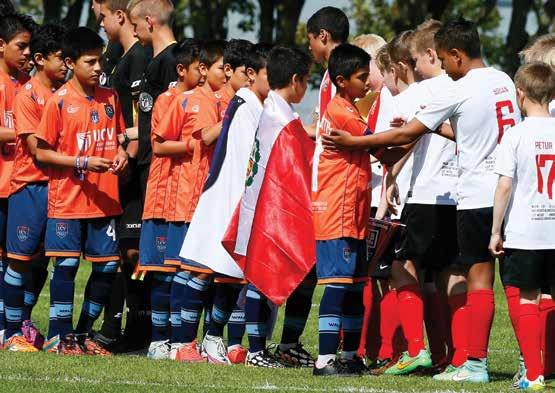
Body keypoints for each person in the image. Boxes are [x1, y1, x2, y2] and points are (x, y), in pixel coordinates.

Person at [323, 17, 521, 383]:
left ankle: (469, 362)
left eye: (446, 60)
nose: (445, 69)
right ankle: (503, 360)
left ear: (457, 55)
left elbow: (410, 132)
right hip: (507, 189)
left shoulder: (453, 88)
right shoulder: (503, 80)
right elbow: (473, 133)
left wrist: (353, 144)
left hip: (474, 192)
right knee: (501, 282)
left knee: (471, 279)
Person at [312, 43, 405, 377]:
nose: (367, 83)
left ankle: (350, 355)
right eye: (361, 77)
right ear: (341, 80)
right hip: (336, 212)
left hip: (350, 212)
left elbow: (378, 147)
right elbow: (382, 151)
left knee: (353, 285)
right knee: (339, 285)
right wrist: (420, 132)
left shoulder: (348, 109)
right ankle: (324, 360)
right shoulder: (342, 113)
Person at [36, 27, 128, 355]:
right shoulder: (59, 103)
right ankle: (57, 337)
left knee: (105, 267)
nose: (98, 67)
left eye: (100, 60)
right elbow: (41, 152)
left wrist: (121, 155)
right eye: (90, 62)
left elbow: (119, 141)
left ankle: (81, 334)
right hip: (67, 201)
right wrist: (81, 161)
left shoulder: (111, 98)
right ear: (72, 63)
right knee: (66, 267)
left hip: (105, 201)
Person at [182, 42, 271, 365]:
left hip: (237, 199)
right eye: (269, 76)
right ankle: (184, 343)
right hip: (227, 198)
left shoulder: (253, 104)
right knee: (204, 271)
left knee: (230, 274)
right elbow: (250, 159)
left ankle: (212, 339)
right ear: (251, 75)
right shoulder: (245, 103)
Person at [153, 39, 227, 362]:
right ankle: (170, 342)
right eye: (220, 68)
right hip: (180, 196)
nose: (225, 74)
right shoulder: (181, 101)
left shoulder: (222, 101)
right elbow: (159, 145)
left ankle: (193, 342)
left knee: (201, 271)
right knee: (177, 270)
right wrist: (197, 141)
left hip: (206, 197)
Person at [489, 62, 555, 391]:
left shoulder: (515, 134)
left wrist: (495, 230)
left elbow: (504, 186)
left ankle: (534, 373)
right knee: (549, 297)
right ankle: (545, 367)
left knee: (528, 299)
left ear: (520, 93)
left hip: (527, 230)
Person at [3, 23, 67, 353]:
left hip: (57, 188)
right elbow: (34, 146)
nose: (67, 65)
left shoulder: (63, 96)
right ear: (42, 60)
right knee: (18, 260)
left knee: (45, 261)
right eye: (62, 58)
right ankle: (10, 333)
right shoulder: (27, 95)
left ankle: (25, 325)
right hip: (29, 187)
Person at [137, 38, 202, 360]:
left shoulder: (205, 99)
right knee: (163, 270)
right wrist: (198, 143)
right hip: (164, 194)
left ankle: (180, 339)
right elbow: (160, 145)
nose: (203, 75)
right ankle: (159, 340)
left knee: (184, 270)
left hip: (188, 197)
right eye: (198, 69)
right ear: (181, 69)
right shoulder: (168, 99)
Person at [93, 0, 151, 352]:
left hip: (134, 170)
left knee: (134, 254)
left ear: (119, 16)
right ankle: (119, 325)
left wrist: (127, 157)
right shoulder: (120, 59)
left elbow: (138, 123)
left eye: (102, 16)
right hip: (121, 171)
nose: (100, 24)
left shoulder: (139, 60)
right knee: (123, 253)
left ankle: (139, 325)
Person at [0, 12, 34, 337]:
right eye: (20, 46)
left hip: (22, 186)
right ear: (1, 46)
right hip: (1, 185)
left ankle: (16, 323)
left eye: (29, 48)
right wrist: (28, 133)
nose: (26, 53)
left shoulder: (28, 85)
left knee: (24, 260)